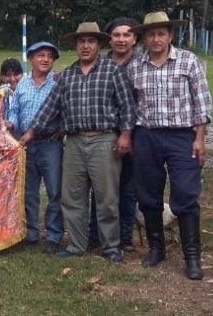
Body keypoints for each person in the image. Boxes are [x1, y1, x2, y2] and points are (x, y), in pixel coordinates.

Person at [19, 22, 135, 263]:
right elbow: (50, 107)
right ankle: (76, 243)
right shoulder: (67, 75)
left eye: (90, 41)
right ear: (75, 45)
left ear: (99, 44)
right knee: (72, 197)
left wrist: (125, 135)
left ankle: (110, 245)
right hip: (73, 142)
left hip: (104, 140)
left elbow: (127, 107)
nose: (85, 46)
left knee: (107, 198)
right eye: (81, 41)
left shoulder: (113, 71)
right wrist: (30, 133)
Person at [126, 12, 212, 280]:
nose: (155, 39)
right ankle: (157, 248)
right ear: (144, 38)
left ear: (170, 36)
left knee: (186, 193)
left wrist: (199, 138)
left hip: (181, 136)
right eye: (150, 34)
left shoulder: (188, 61)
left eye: (161, 33)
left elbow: (202, 103)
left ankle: (192, 257)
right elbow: (129, 105)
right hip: (147, 135)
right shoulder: (135, 66)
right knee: (148, 194)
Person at [87, 17, 141, 252]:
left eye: (126, 35)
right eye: (116, 35)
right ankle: (95, 234)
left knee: (128, 187)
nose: (121, 39)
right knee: (100, 187)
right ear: (109, 39)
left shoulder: (141, 64)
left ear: (134, 38)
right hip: (102, 133)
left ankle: (125, 236)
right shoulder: (98, 63)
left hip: (134, 132)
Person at [7, 41, 64, 254]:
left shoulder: (58, 82)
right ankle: (30, 233)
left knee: (54, 191)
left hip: (50, 143)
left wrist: (63, 127)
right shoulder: (22, 84)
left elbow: (68, 109)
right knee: (29, 191)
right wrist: (11, 122)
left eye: (50, 56)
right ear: (31, 59)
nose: (45, 59)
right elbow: (14, 109)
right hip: (25, 144)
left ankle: (53, 235)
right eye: (40, 55)